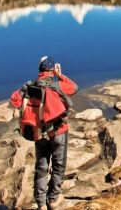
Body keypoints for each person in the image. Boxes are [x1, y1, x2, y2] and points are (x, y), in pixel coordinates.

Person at [10, 56, 78, 210]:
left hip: (38, 133)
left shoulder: (29, 86)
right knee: (58, 165)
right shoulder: (56, 85)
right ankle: (53, 200)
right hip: (58, 132)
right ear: (52, 69)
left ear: (40, 70)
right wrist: (60, 75)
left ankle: (41, 203)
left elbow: (14, 100)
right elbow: (74, 88)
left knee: (41, 166)